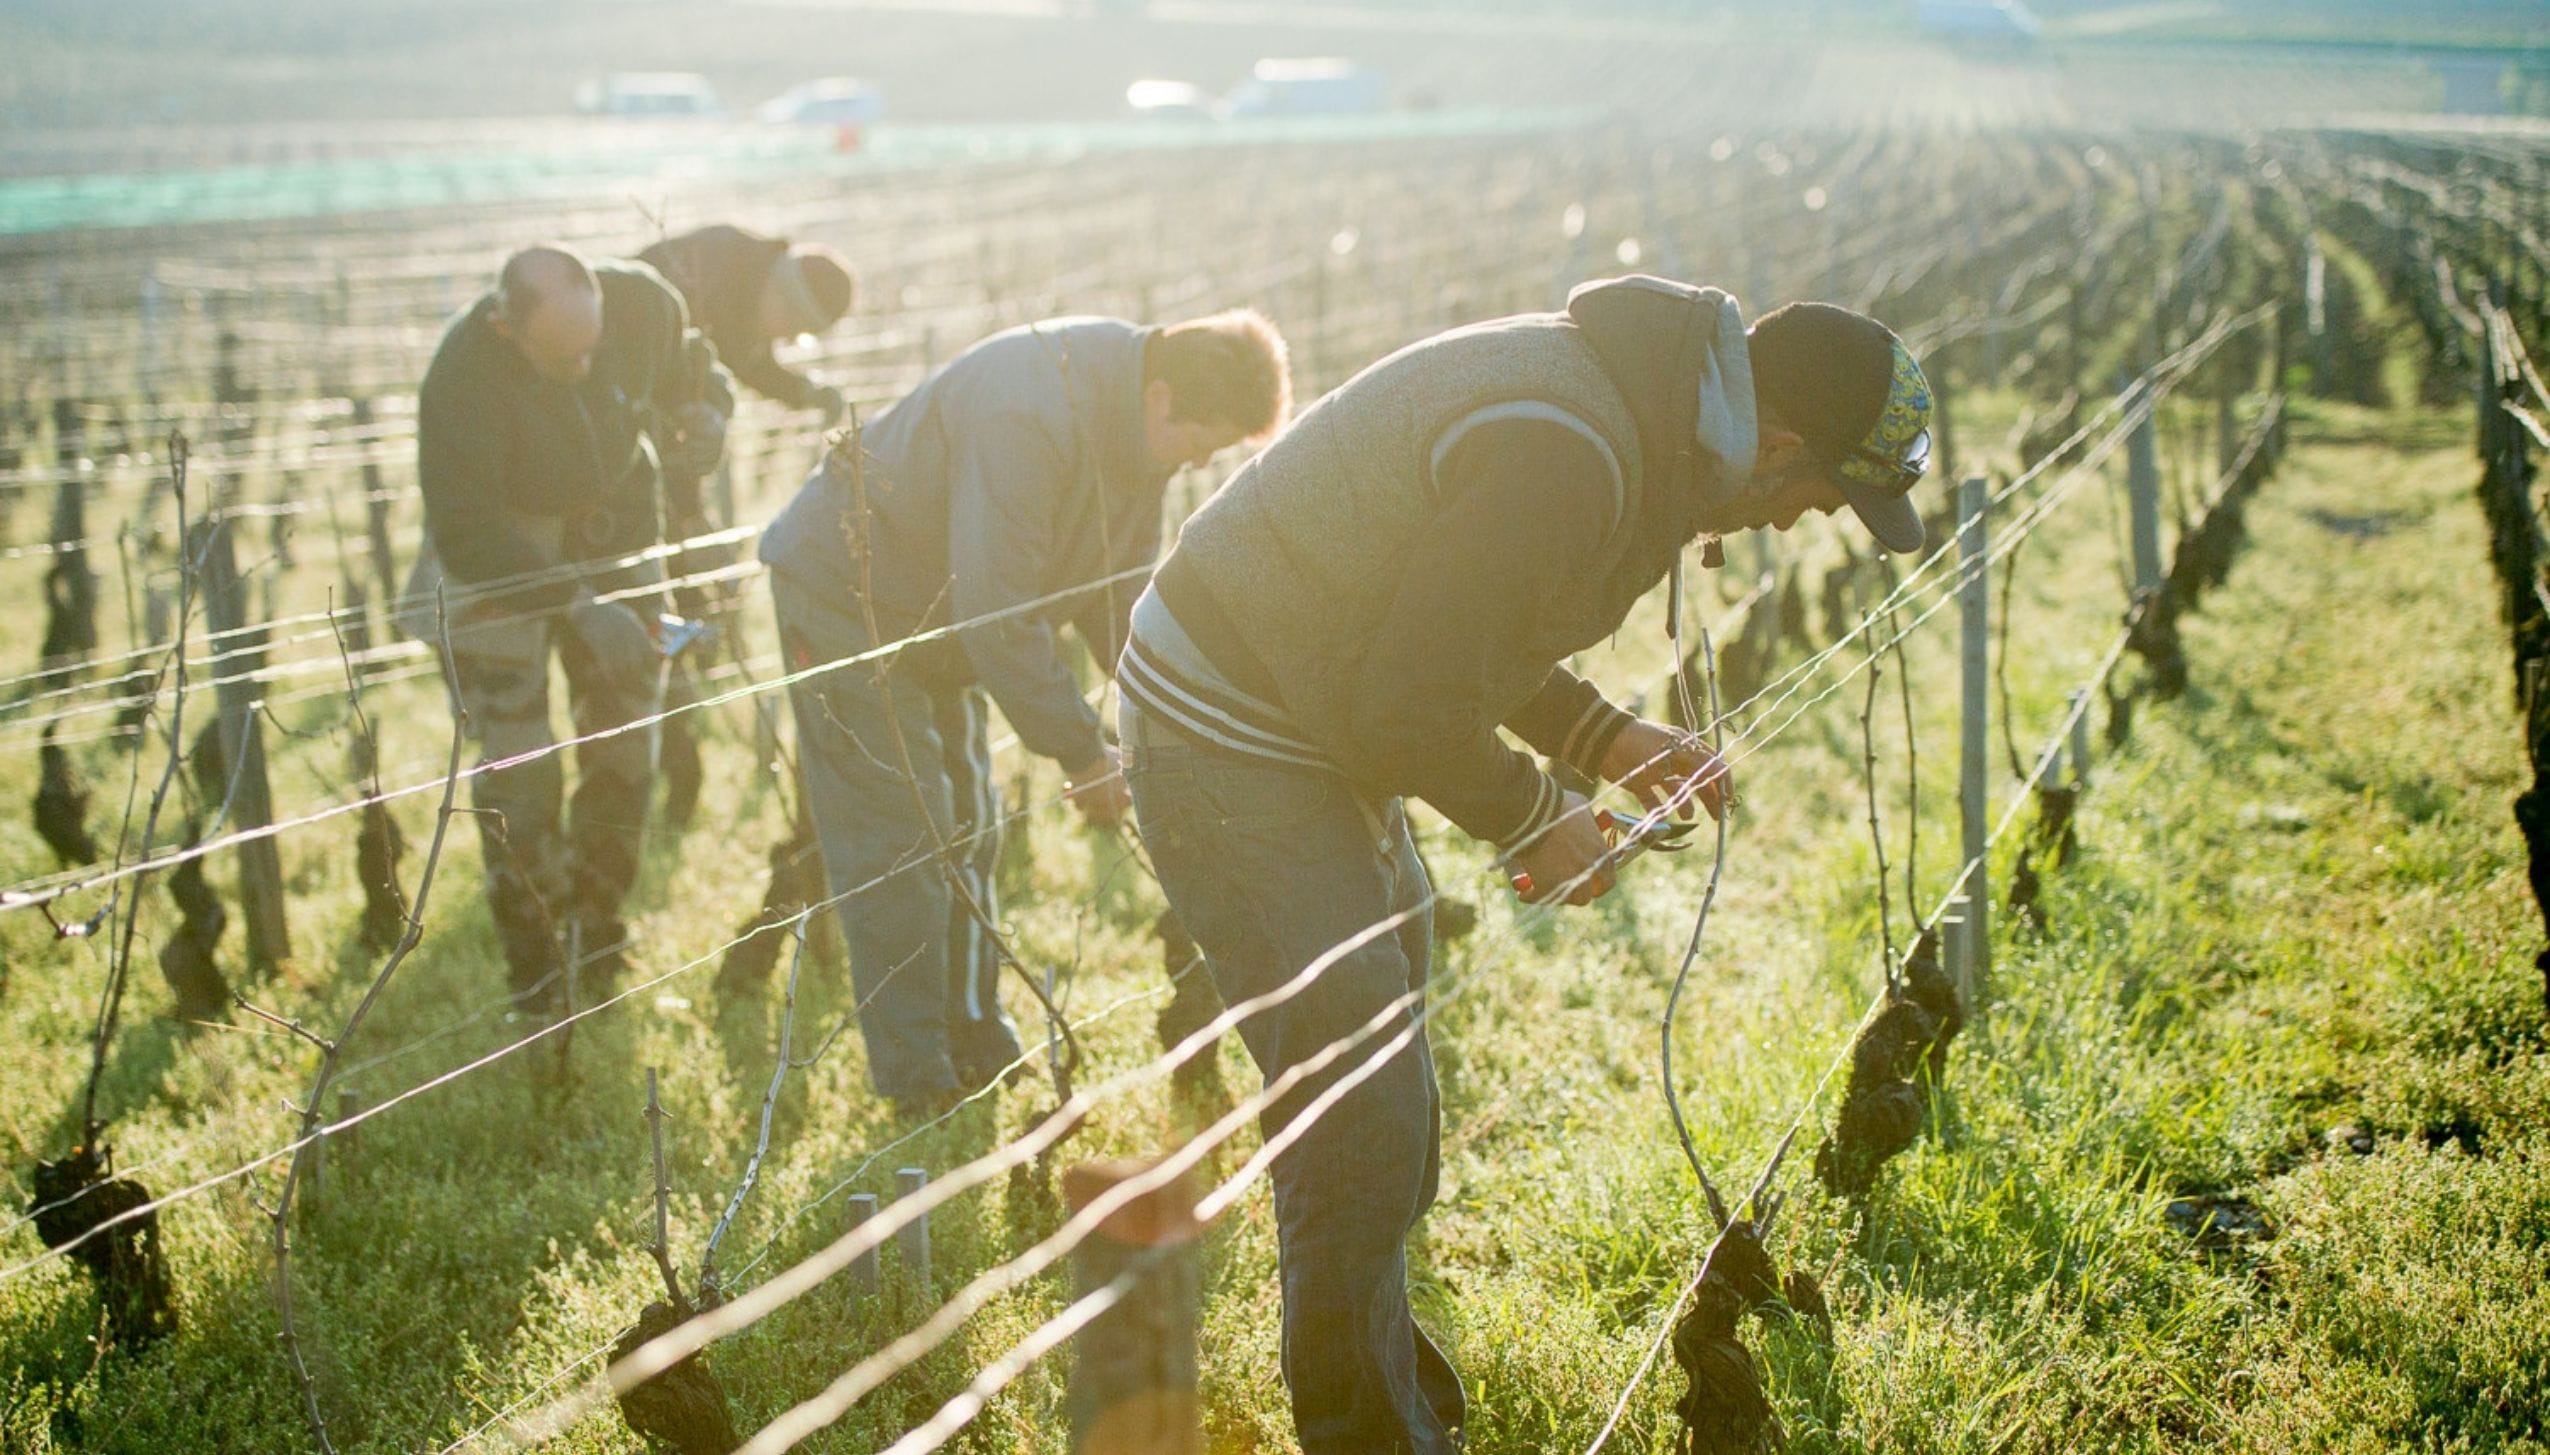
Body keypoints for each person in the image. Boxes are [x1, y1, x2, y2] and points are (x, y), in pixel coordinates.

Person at [1116, 276, 1934, 1454]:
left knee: (1389, 1106)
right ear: (1780, 445)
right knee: (1360, 1111)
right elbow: (1407, 701)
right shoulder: (1575, 455)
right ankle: (1372, 1440)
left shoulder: (1646, 415)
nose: (1801, 524)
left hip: (1303, 704)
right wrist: (1532, 812)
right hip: (1226, 729)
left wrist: (1605, 740)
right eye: (1824, 496)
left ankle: (1391, 1407)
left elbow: (1459, 630)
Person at [759, 309, 1291, 1113]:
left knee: (972, 826)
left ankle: (979, 1040)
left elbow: (1118, 601)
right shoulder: (1028, 411)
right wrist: (1080, 750)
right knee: (899, 837)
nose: (1198, 462)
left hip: (935, 615)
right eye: (1202, 441)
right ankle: (920, 1080)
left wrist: (1176, 716)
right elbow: (997, 610)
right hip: (846, 595)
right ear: (1162, 397)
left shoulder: (1136, 438)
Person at [411, 244, 733, 1009]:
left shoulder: (645, 304)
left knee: (627, 738)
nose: (585, 367)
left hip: (617, 522)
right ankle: (536, 959)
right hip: (501, 553)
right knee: (519, 766)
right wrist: (578, 605)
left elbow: (693, 368)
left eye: (594, 348)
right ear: (506, 328)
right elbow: (465, 529)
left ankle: (598, 926)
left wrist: (711, 412)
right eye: (564, 359)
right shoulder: (459, 379)